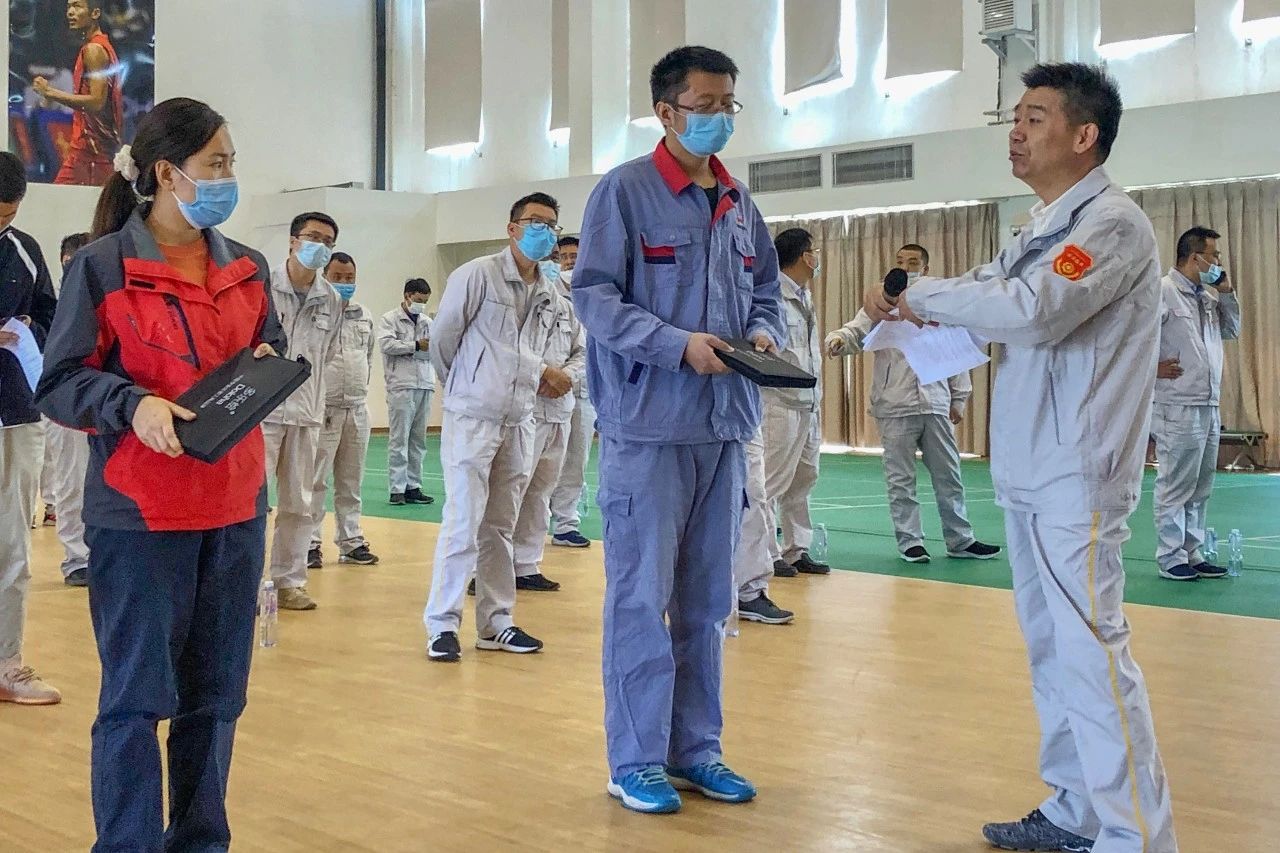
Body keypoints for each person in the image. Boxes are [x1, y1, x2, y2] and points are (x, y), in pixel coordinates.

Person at [861, 64, 1177, 852]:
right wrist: (908, 304)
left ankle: (1137, 837)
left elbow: (1033, 310)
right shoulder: (1039, 228)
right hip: (1031, 467)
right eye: (1015, 117)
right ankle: (1074, 809)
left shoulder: (1111, 225)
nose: (1016, 131)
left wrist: (920, 294)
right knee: (1052, 650)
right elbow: (990, 294)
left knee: (1092, 652)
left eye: (1035, 118)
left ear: (1084, 134)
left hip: (1080, 470)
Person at [36, 97, 286, 849]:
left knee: (216, 700)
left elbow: (267, 345)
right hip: (141, 518)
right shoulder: (101, 267)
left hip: (235, 509)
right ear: (167, 173)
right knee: (136, 700)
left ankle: (201, 840)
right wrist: (131, 403)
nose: (228, 176)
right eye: (216, 163)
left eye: (231, 162)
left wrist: (269, 365)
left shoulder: (248, 267)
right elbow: (60, 383)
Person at [573, 46, 784, 814]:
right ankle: (634, 759)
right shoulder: (625, 193)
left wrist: (762, 332)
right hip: (649, 430)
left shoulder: (738, 201)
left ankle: (695, 749)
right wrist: (675, 345)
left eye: (729, 104)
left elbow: (765, 290)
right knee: (640, 599)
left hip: (723, 428)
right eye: (705, 105)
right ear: (666, 112)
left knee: (706, 603)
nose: (720, 117)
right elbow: (595, 298)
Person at [422, 191, 570, 662]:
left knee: (501, 526)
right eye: (534, 221)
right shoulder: (476, 275)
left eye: (551, 224)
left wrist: (528, 383)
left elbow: (541, 353)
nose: (543, 230)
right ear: (512, 228)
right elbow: (443, 341)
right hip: (472, 417)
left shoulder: (549, 292)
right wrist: (468, 388)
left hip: (521, 418)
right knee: (463, 522)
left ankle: (496, 621)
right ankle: (442, 625)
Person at [827, 243, 1001, 564]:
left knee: (949, 476)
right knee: (901, 480)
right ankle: (910, 542)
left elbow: (955, 350)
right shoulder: (882, 301)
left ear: (926, 268)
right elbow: (856, 330)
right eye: (900, 261)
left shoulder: (937, 303)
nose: (906, 267)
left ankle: (960, 539)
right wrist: (838, 339)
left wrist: (959, 398)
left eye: (913, 262)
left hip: (935, 402)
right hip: (894, 404)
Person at [732, 227, 830, 626]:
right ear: (805, 255)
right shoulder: (770, 294)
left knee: (803, 479)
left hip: (808, 401)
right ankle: (765, 561)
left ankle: (796, 548)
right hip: (777, 402)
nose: (816, 257)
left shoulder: (804, 295)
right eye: (814, 251)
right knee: (765, 486)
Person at [0, 150, 59, 705]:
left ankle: (7, 662)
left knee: (13, 542)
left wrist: (26, 328)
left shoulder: (25, 250)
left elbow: (51, 317)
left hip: (17, 410)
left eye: (9, 214)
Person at [263, 211, 344, 611]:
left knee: (300, 502)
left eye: (328, 241)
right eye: (313, 237)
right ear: (293, 241)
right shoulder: (264, 285)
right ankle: (245, 582)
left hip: (307, 410)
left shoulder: (331, 298)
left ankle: (289, 581)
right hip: (261, 411)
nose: (320, 246)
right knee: (252, 502)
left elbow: (326, 354)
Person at [1151, 226, 1241, 581]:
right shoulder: (1161, 291)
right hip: (1176, 402)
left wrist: (1227, 292)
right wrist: (1152, 368)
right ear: (1195, 257)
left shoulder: (1207, 298)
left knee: (1201, 485)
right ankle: (1170, 556)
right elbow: (1131, 340)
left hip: (1207, 401)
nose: (1218, 262)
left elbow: (1231, 331)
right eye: (1213, 256)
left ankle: (1192, 550)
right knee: (1176, 482)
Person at [508, 272, 586, 592]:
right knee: (511, 489)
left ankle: (526, 564)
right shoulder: (517, 304)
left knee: (542, 490)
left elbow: (582, 351)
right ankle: (489, 567)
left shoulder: (567, 310)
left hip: (560, 409)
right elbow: (508, 347)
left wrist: (566, 376)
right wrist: (544, 373)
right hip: (525, 408)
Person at [308, 251, 379, 568]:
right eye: (337, 277)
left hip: (357, 408)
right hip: (324, 409)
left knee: (351, 481)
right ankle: (309, 543)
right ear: (324, 277)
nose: (344, 283)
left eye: (349, 278)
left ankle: (351, 541)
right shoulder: (315, 313)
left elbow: (368, 357)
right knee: (315, 481)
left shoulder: (364, 315)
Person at [43, 231, 95, 587]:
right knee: (71, 480)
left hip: (102, 401)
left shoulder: (106, 295)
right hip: (66, 404)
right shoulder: (55, 306)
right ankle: (77, 557)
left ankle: (103, 554)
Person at [32, 0, 124, 186]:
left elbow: (97, 102)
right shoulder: (96, 47)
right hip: (89, 152)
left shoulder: (94, 50)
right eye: (69, 7)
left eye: (77, 6)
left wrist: (49, 92)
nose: (70, 12)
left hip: (91, 154)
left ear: (95, 13)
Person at [546, 236, 595, 548]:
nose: (569, 261)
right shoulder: (546, 290)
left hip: (584, 388)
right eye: (564, 256)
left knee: (577, 459)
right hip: (548, 389)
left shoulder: (595, 290)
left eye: (575, 255)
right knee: (543, 461)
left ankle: (566, 523)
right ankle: (532, 526)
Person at [378, 277, 436, 506]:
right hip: (401, 384)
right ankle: (397, 488)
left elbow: (435, 349)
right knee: (399, 438)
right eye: (419, 300)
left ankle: (414, 486)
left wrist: (426, 348)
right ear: (407, 296)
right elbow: (386, 345)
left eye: (425, 301)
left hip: (425, 383)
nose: (422, 305)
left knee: (418, 440)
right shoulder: (389, 319)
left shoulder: (427, 322)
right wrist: (415, 346)